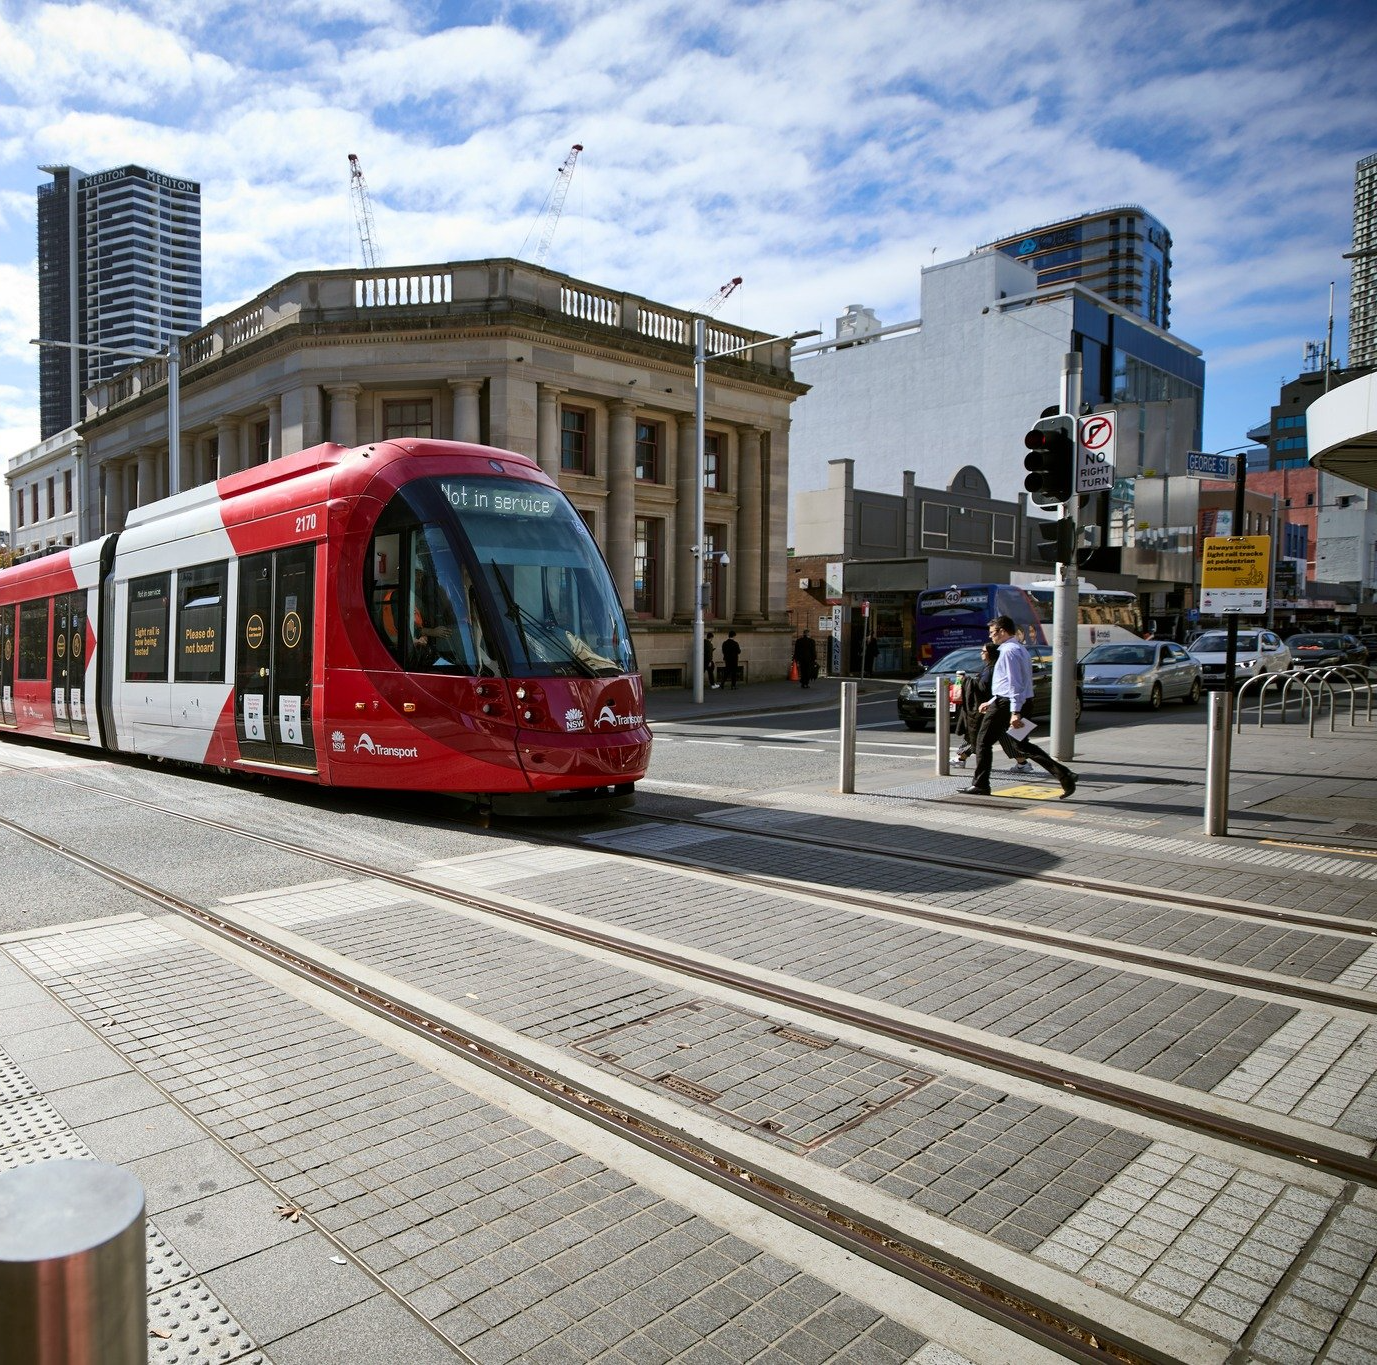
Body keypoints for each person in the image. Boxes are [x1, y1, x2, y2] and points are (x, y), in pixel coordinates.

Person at [960, 615, 1077, 799]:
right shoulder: (1020, 649)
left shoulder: (1007, 652)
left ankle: (981, 784)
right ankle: (1064, 775)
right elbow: (1020, 682)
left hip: (1007, 705)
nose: (991, 637)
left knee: (982, 742)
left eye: (992, 633)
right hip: (1017, 702)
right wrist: (991, 702)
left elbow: (1014, 683)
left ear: (1002, 631)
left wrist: (1015, 712)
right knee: (1021, 745)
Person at [953, 642, 1026, 771]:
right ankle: (1022, 763)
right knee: (1000, 735)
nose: (981, 653)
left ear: (990, 654)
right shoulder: (992, 667)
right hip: (994, 705)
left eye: (983, 651)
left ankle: (961, 758)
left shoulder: (991, 669)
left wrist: (965, 680)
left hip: (991, 706)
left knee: (981, 735)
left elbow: (983, 687)